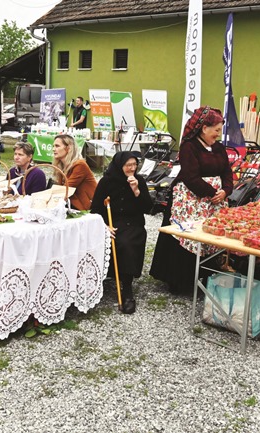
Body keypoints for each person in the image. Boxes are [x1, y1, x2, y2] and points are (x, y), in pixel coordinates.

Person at [150, 106, 233, 295]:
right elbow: (190, 176)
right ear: (204, 128)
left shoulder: (218, 148)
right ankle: (181, 280)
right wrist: (212, 192)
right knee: (185, 235)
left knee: (209, 238)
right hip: (191, 199)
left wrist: (226, 191)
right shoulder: (189, 146)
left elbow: (227, 171)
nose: (218, 135)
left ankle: (205, 276)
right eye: (216, 130)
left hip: (214, 199)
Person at [91, 152, 153, 314]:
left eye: (134, 165)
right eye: (128, 165)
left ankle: (127, 288)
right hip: (112, 223)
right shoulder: (106, 182)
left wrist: (137, 191)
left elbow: (148, 208)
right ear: (119, 165)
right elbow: (96, 208)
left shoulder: (139, 181)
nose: (132, 168)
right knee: (107, 240)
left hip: (133, 223)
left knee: (127, 243)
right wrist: (103, 225)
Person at [52, 134, 97, 210]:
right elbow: (60, 190)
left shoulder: (80, 165)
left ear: (68, 148)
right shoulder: (61, 166)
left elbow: (66, 189)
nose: (53, 149)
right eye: (53, 146)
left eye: (57, 146)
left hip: (87, 207)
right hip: (72, 205)